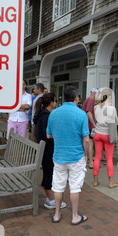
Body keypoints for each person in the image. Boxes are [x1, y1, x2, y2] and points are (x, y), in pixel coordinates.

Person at [46, 86, 89, 225]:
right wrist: (86, 155)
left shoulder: (53, 113)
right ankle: (75, 216)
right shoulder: (81, 114)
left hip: (59, 156)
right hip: (76, 156)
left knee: (58, 186)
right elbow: (86, 139)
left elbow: (49, 135)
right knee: (75, 187)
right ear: (76, 98)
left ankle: (57, 214)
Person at [33, 93, 66, 210]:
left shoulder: (42, 114)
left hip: (44, 148)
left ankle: (50, 198)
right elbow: (48, 134)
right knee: (50, 173)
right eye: (55, 101)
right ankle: (51, 200)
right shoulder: (46, 116)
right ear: (51, 102)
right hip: (47, 149)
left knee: (49, 172)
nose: (56, 103)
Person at [92, 89, 118, 188]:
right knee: (109, 159)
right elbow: (116, 120)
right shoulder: (111, 108)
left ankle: (95, 180)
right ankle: (111, 182)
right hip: (107, 135)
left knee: (97, 157)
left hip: (97, 134)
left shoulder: (95, 107)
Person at [82, 88, 99, 169]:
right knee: (90, 143)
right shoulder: (90, 100)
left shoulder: (89, 100)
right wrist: (94, 124)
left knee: (88, 143)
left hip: (87, 125)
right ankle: (91, 163)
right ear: (95, 93)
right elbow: (88, 112)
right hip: (88, 125)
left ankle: (88, 161)